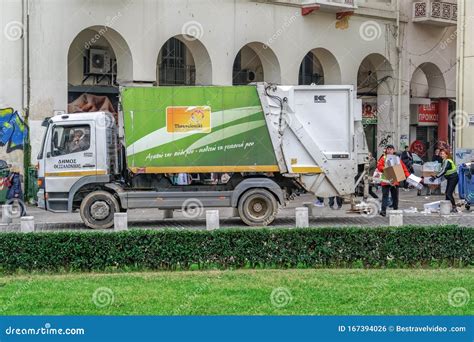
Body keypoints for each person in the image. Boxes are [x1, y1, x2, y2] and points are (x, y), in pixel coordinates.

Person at [377, 145, 411, 217]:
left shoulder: (397, 158)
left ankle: (395, 210)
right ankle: (383, 211)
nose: (389, 151)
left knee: (395, 196)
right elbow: (379, 167)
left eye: (391, 149)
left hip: (395, 179)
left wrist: (408, 176)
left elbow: (403, 167)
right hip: (385, 180)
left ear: (393, 150)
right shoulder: (383, 158)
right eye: (388, 149)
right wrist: (386, 168)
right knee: (385, 196)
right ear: (386, 150)